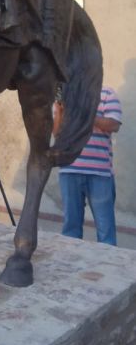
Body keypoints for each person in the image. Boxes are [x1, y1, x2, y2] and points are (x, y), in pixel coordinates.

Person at [57, 85, 123, 246]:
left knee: (105, 231)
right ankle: (70, 267)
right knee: (70, 230)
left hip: (99, 173)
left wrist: (85, 115)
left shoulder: (107, 93)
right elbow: (56, 132)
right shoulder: (66, 93)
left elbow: (114, 124)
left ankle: (108, 268)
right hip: (69, 170)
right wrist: (60, 111)